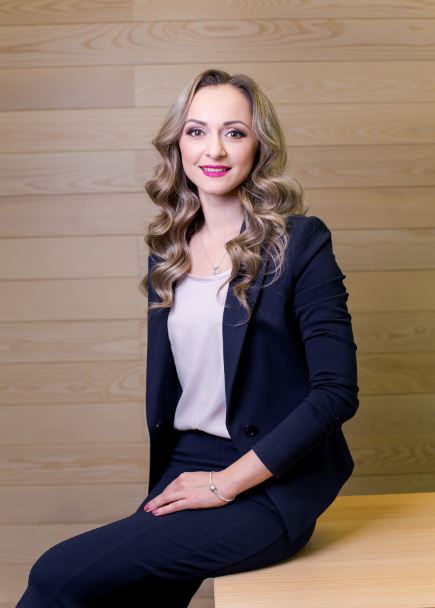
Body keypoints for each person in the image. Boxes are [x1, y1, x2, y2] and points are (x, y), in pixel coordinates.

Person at [16, 68, 359, 607]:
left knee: (56, 575)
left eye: (234, 132)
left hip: (269, 480)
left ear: (259, 146)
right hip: (187, 461)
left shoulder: (300, 242)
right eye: (197, 131)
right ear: (179, 143)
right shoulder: (169, 248)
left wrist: (225, 484)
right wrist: (196, 477)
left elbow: (335, 393)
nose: (214, 149)